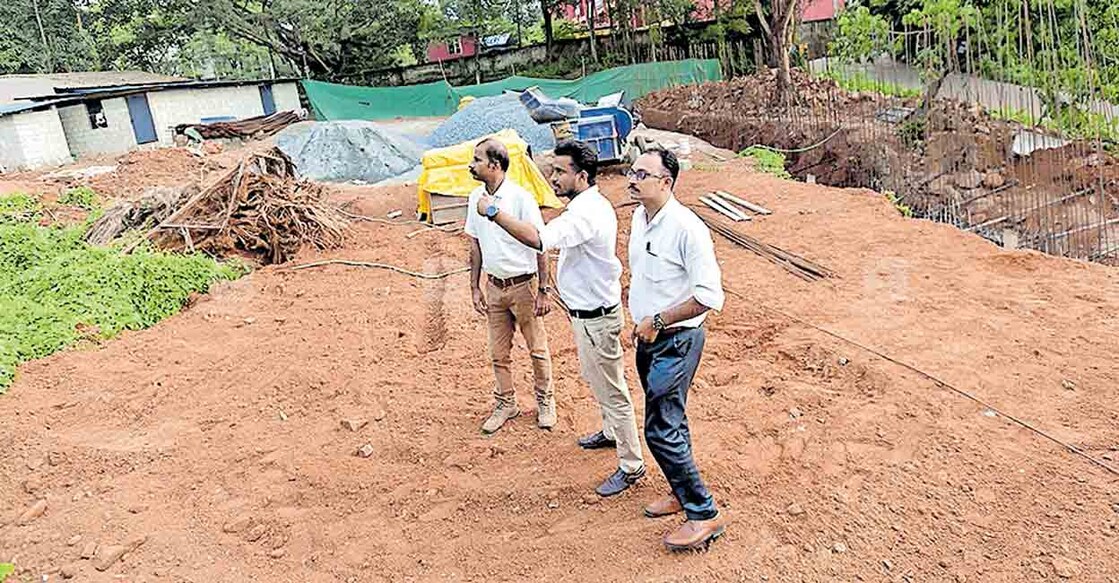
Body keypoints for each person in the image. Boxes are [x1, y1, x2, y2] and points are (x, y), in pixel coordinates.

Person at [475, 140, 646, 497]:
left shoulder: (585, 214)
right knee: (598, 381)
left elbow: (539, 239)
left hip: (598, 317)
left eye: (559, 172)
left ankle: (632, 466)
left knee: (614, 391)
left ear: (581, 176)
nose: (551, 178)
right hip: (588, 315)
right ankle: (611, 433)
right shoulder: (587, 206)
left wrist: (493, 212)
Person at [626, 148, 727, 551]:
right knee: (670, 417)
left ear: (665, 182)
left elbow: (707, 296)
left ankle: (704, 512)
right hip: (648, 338)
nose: (632, 178)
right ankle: (679, 489)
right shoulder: (639, 218)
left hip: (676, 341)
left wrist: (658, 321)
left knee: (659, 429)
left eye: (642, 174)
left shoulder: (688, 229)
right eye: (633, 171)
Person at [465, 138, 555, 434]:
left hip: (524, 287)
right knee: (498, 352)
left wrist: (544, 289)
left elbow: (541, 244)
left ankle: (545, 401)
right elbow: (475, 245)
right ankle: (506, 403)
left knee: (537, 349)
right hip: (495, 288)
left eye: (477, 159)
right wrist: (475, 288)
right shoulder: (474, 198)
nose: (471, 164)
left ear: (494, 165)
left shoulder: (520, 198)